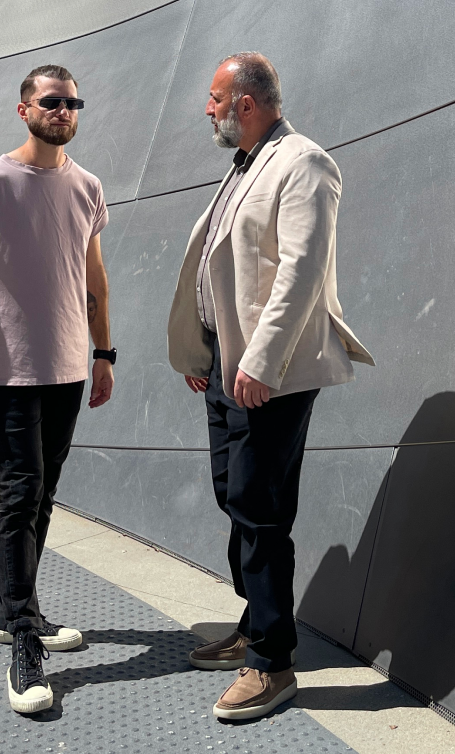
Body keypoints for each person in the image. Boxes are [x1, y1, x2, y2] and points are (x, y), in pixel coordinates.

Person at [168, 52, 374, 720]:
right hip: (225, 366)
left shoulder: (304, 163)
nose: (208, 109)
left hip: (268, 374)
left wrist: (260, 362)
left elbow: (301, 271)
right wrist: (204, 349)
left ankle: (272, 663)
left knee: (259, 508)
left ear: (246, 103)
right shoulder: (245, 164)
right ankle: (257, 620)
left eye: (214, 98)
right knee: (234, 494)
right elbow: (222, 264)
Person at [0, 64, 116, 714]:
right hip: (11, 372)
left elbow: (94, 279)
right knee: (20, 494)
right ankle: (23, 640)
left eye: (73, 102)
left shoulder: (88, 186)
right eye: (52, 102)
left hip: (70, 369)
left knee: (43, 493)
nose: (64, 111)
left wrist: (104, 354)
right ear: (25, 110)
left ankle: (12, 610)